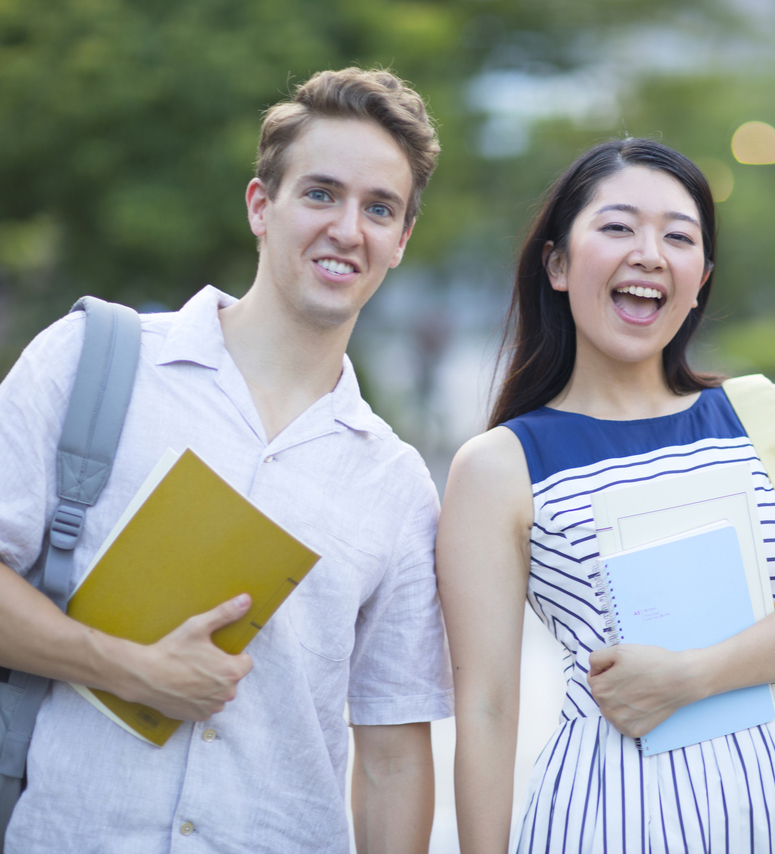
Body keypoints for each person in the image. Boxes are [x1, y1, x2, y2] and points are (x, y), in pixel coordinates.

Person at [0, 67, 452, 853]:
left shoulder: (397, 488)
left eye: (379, 208)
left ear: (401, 241)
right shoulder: (91, 363)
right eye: (320, 194)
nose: (348, 228)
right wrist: (125, 666)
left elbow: (389, 757)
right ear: (259, 206)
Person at [436, 138, 775, 852]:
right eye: (616, 227)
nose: (648, 253)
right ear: (557, 263)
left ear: (699, 278)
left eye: (678, 236)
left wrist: (690, 677)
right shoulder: (500, 465)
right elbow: (485, 706)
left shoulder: (764, 415)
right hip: (610, 821)